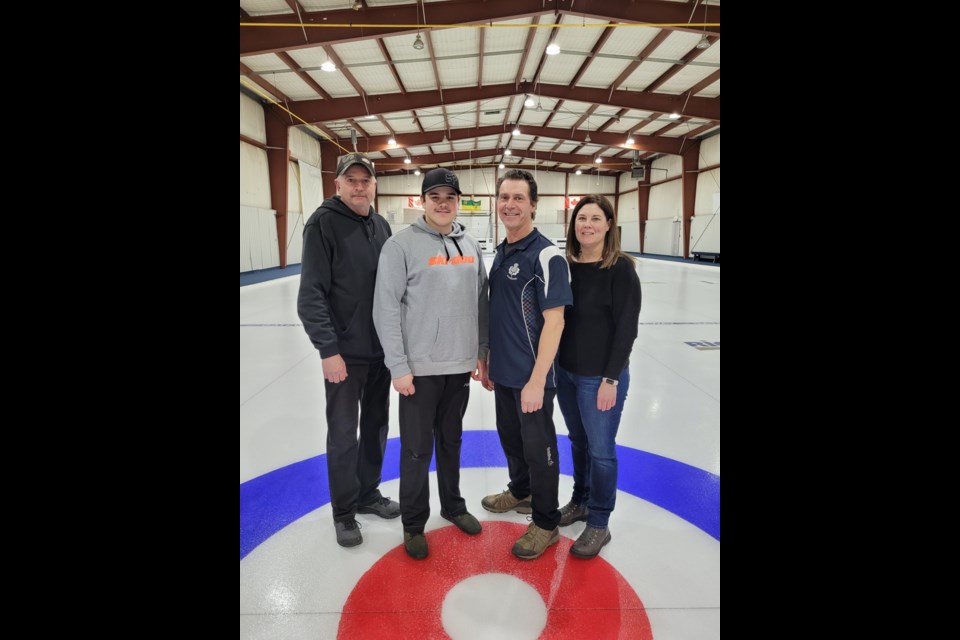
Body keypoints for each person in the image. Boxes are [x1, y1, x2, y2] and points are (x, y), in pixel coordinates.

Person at [372, 168, 489, 560]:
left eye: (450, 197)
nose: (443, 203)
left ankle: (453, 506)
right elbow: (385, 308)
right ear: (422, 201)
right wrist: (398, 366)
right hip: (419, 369)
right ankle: (413, 522)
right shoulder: (400, 246)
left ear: (458, 202)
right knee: (418, 450)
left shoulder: (470, 244)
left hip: (458, 367)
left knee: (452, 443)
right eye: (435, 196)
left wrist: (480, 352)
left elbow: (481, 302)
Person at [297, 152, 401, 549]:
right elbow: (311, 296)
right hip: (344, 353)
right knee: (344, 434)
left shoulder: (381, 224)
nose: (359, 187)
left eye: (366, 180)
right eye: (351, 180)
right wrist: (328, 349)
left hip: (380, 351)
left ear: (374, 185)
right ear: (337, 184)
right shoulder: (323, 224)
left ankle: (368, 493)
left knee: (376, 427)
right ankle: (344, 512)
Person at [481, 169, 573, 560]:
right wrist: (487, 360)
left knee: (540, 448)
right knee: (510, 439)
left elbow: (555, 321)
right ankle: (520, 490)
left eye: (519, 198)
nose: (510, 204)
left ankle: (546, 522)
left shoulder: (546, 254)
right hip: (503, 372)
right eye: (504, 197)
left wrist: (537, 381)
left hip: (533, 377)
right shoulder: (502, 251)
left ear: (534, 205)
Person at [555, 195, 642, 559]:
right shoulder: (566, 266)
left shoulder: (620, 269)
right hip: (567, 372)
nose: (586, 225)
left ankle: (599, 521)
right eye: (581, 218)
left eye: (595, 218)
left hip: (600, 378)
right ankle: (581, 500)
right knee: (578, 441)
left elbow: (626, 329)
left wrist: (611, 379)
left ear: (609, 225)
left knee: (602, 451)